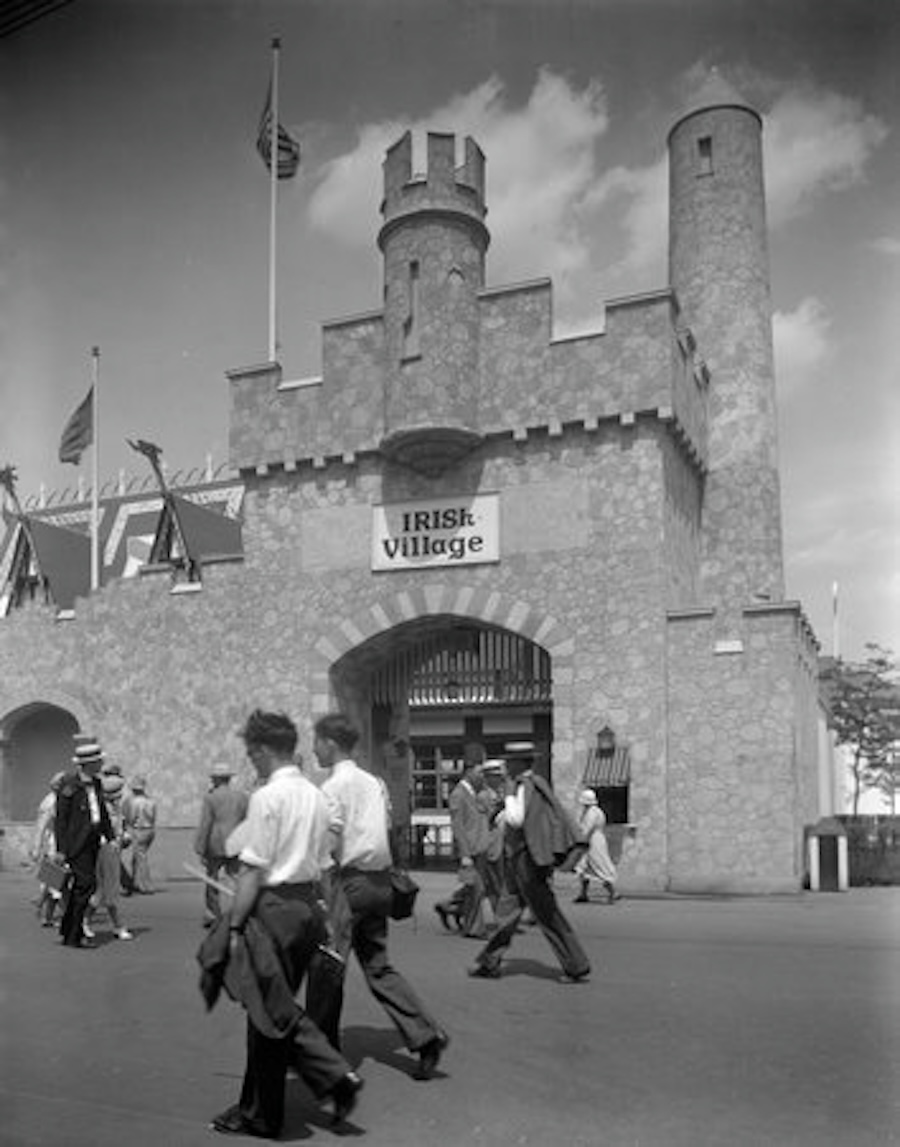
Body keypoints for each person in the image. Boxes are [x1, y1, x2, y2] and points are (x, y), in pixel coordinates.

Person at [204, 709, 363, 1138]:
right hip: (307, 908)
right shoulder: (316, 795)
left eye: (251, 752)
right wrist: (327, 918)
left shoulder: (267, 797)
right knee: (271, 1009)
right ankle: (261, 1107)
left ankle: (303, 1091)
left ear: (262, 750)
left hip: (273, 909)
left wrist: (234, 926)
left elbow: (252, 870)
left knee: (268, 1010)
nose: (250, 760)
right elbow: (325, 862)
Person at [308, 712, 449, 1080]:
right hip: (379, 884)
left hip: (348, 884)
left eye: (317, 742)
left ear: (330, 743)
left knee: (328, 968)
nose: (314, 750)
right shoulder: (374, 783)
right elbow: (388, 828)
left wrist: (319, 890)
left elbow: (327, 847)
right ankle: (425, 1035)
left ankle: (325, 1060)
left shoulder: (332, 789)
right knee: (378, 965)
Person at [468, 744, 591, 984]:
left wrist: (507, 797)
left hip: (528, 860)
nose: (506, 767)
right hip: (520, 859)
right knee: (507, 911)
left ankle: (576, 965)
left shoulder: (525, 786)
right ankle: (489, 962)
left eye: (509, 762)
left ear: (519, 763)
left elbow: (516, 819)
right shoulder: (531, 785)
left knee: (547, 915)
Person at [54, 740, 114, 949]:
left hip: (92, 841)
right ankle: (74, 935)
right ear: (88, 764)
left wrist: (110, 835)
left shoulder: (96, 783)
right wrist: (61, 849)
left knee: (83, 887)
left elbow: (101, 812)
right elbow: (61, 820)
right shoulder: (69, 785)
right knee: (86, 885)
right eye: (98, 761)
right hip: (76, 843)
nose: (101, 764)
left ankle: (68, 929)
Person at [434, 751, 495, 938]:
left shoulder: (477, 792)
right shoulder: (459, 794)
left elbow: (487, 811)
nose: (482, 775)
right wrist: (465, 854)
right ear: (468, 771)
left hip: (481, 847)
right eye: (479, 771)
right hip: (470, 850)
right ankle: (475, 928)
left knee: (476, 888)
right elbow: (458, 827)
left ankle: (451, 907)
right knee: (476, 889)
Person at [194, 762, 249, 927]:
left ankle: (213, 913)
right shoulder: (241, 797)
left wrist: (200, 846)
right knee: (237, 878)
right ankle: (241, 910)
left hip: (216, 841)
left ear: (216, 779)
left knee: (212, 878)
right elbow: (247, 821)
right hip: (237, 841)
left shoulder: (211, 797)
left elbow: (206, 823)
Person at [573, 788, 620, 905]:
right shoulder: (595, 811)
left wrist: (580, 838)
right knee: (584, 867)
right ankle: (583, 894)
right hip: (592, 840)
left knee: (600, 865)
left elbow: (587, 828)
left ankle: (613, 892)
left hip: (593, 841)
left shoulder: (592, 813)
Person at [31, 771, 65, 928]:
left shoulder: (58, 800)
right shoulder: (51, 802)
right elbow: (41, 826)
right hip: (54, 845)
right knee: (56, 882)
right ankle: (53, 914)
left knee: (52, 882)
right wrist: (36, 847)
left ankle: (45, 913)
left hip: (58, 844)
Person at [122, 774, 156, 894]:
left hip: (139, 830)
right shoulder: (151, 801)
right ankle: (135, 881)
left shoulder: (133, 802)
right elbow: (153, 817)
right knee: (137, 857)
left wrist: (127, 828)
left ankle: (146, 885)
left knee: (141, 858)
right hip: (150, 830)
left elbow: (131, 818)